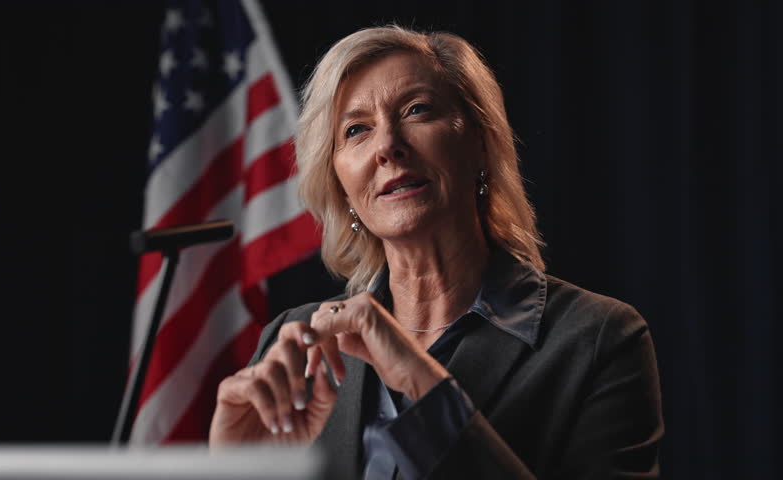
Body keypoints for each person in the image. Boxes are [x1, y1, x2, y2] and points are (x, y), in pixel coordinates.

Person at [209, 25, 663, 479]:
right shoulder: (291, 344)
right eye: (356, 130)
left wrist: (421, 385)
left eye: (417, 110)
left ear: (481, 143)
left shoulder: (598, 339)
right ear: (340, 185)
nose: (387, 145)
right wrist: (233, 471)